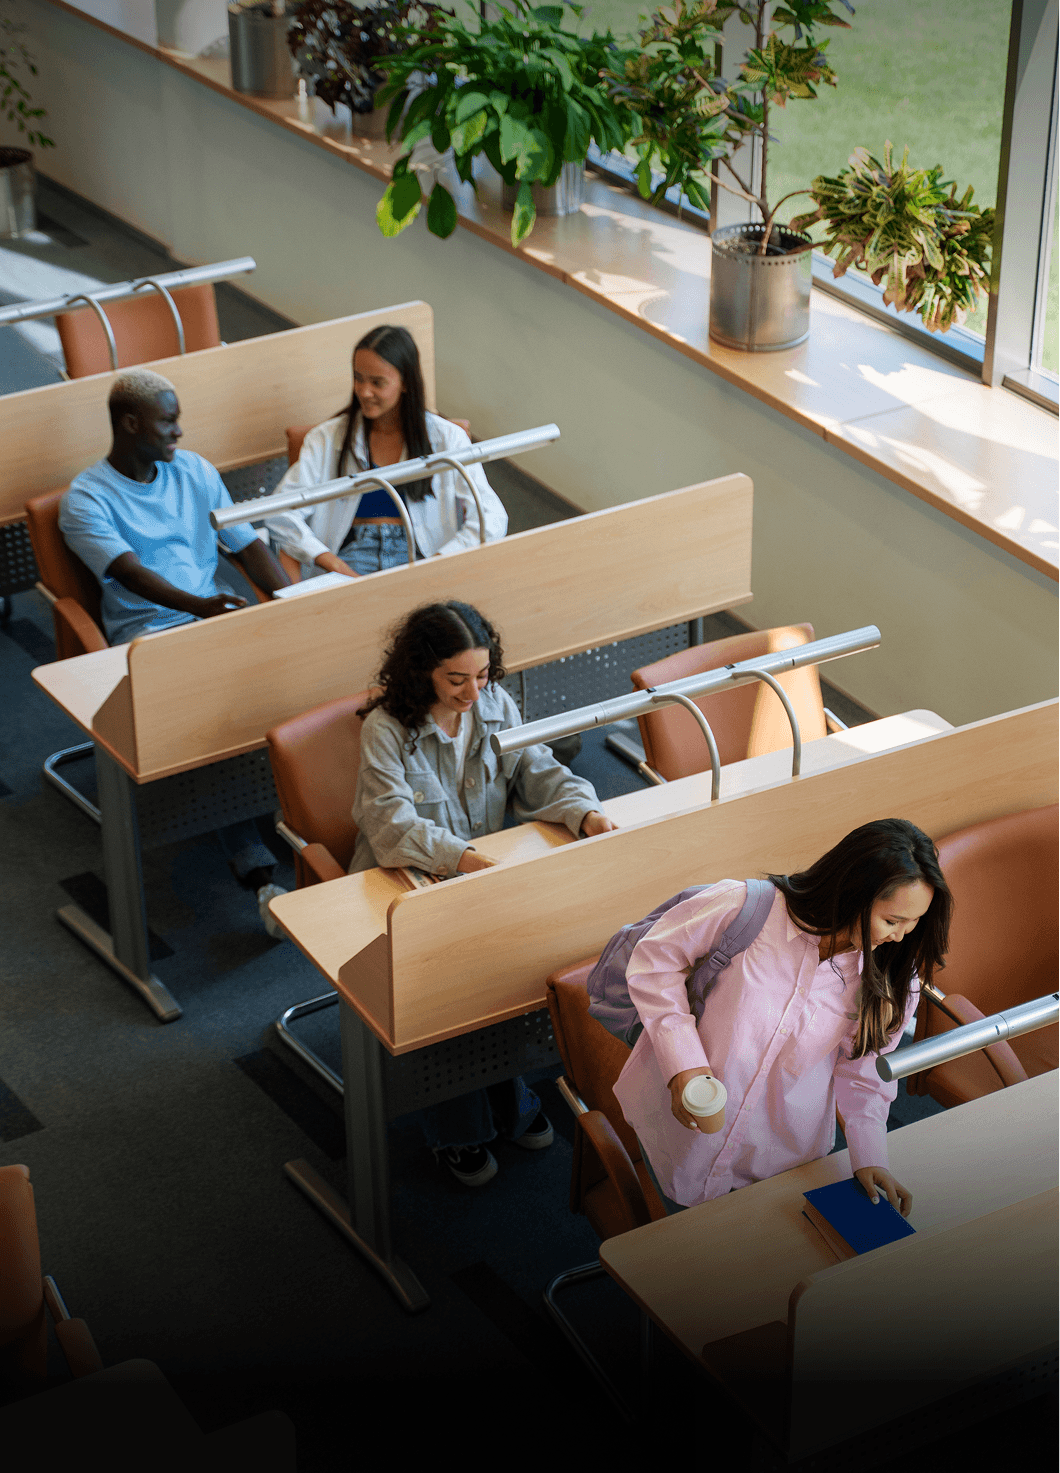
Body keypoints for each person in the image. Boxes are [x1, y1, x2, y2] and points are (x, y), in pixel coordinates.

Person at [351, 600, 617, 1186]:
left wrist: (586, 813)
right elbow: (391, 827)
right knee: (448, 990)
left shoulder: (494, 703)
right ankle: (460, 1126)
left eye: (482, 675)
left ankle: (509, 1096)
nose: (473, 693)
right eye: (456, 679)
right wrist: (464, 858)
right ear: (421, 670)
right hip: (409, 879)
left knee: (518, 968)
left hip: (485, 870)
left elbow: (537, 770)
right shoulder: (386, 729)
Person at [613, 819, 953, 1214]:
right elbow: (654, 964)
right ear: (852, 893)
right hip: (679, 1133)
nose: (901, 936)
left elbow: (864, 1074)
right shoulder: (746, 909)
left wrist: (870, 1157)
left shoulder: (895, 975)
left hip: (782, 1157)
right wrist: (683, 1064)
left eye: (915, 923)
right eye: (892, 920)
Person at [59, 366, 292, 932]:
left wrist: (295, 598)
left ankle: (299, 809)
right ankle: (257, 866)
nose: (180, 432)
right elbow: (129, 574)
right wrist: (201, 608)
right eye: (169, 421)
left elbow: (246, 542)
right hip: (151, 636)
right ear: (131, 423)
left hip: (212, 616)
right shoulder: (86, 499)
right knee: (216, 712)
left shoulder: (194, 471)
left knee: (295, 677)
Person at [263, 324, 507, 577]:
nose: (364, 392)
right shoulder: (326, 438)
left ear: (406, 383)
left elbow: (491, 518)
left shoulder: (447, 438)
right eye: (358, 378)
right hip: (351, 556)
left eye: (377, 383)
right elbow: (280, 513)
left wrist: (438, 562)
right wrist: (332, 564)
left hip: (421, 556)